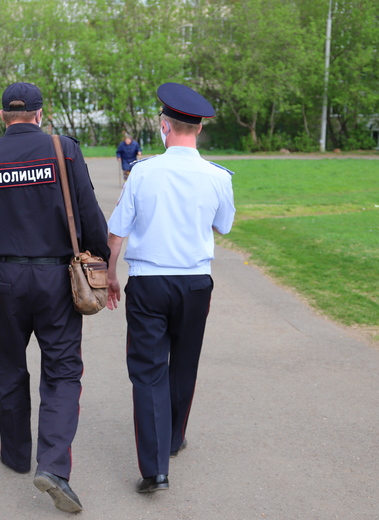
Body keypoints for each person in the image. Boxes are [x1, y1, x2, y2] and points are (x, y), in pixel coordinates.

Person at [0, 82, 110, 513]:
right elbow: (88, 213)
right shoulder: (64, 150)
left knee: (9, 369)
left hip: (5, 279)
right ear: (39, 114)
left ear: (2, 117)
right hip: (57, 279)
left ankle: (15, 456)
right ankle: (52, 466)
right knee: (63, 372)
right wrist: (103, 264)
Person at [105, 82, 236, 494]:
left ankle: (155, 468)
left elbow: (117, 231)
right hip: (195, 282)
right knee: (183, 363)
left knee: (147, 372)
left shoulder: (143, 172)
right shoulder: (218, 176)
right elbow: (224, 224)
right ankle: (174, 437)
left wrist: (110, 274)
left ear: (164, 126)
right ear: (197, 129)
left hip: (148, 281)